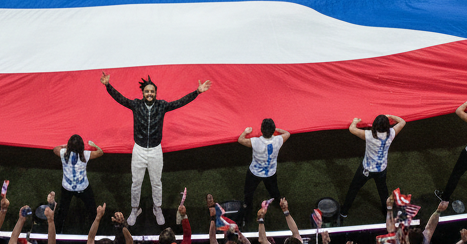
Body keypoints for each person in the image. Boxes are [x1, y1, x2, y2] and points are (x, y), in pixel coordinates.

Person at [101, 72, 212, 226]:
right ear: (143, 93)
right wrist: (108, 86)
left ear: (155, 93)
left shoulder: (162, 106)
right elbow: (120, 99)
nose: (149, 93)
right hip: (139, 150)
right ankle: (134, 209)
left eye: (152, 91)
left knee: (156, 182)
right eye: (147, 91)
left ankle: (157, 208)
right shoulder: (136, 105)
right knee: (136, 182)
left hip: (155, 150)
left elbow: (179, 102)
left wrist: (197, 92)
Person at [339, 113, 406, 219]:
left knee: (353, 189)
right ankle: (386, 213)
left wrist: (355, 121)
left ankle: (344, 212)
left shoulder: (369, 135)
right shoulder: (392, 133)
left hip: (366, 169)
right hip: (381, 169)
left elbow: (352, 129)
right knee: (383, 192)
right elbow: (402, 122)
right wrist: (391, 116)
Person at [238, 118, 290, 217]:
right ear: (272, 130)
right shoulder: (278, 140)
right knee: (274, 192)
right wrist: (278, 130)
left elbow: (240, 140)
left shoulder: (255, 142)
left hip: (254, 173)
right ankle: (280, 205)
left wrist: (245, 132)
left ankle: (248, 210)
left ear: (261, 130)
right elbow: (287, 133)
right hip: (270, 173)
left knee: (248, 193)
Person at [52, 134, 102, 231]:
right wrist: (94, 145)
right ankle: (95, 229)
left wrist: (65, 146)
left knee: (62, 212)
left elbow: (55, 149)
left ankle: (58, 231)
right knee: (92, 209)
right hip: (83, 187)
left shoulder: (63, 153)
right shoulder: (86, 154)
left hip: (67, 187)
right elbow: (100, 152)